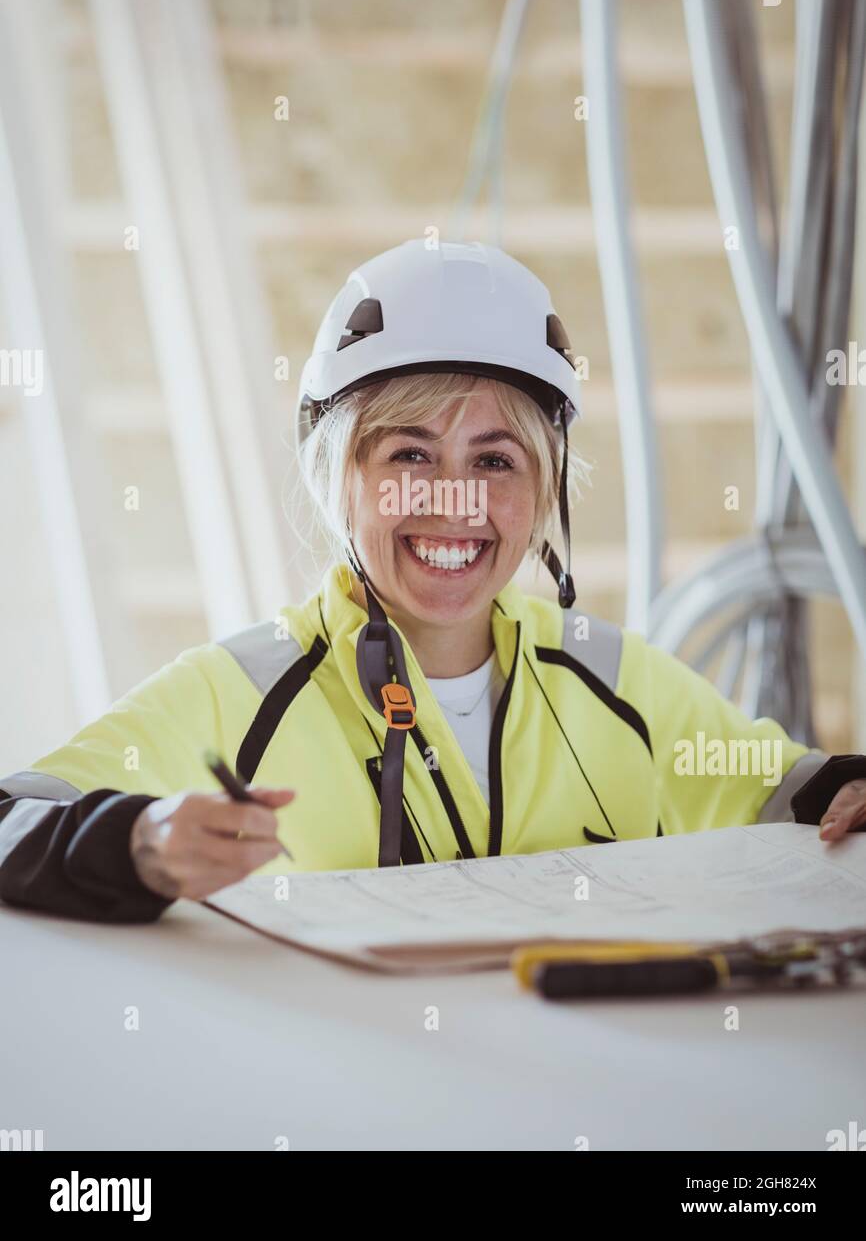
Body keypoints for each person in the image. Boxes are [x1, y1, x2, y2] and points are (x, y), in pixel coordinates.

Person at [1, 239, 864, 924]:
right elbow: (11, 821)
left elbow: (804, 791)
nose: (453, 501)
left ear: (545, 493)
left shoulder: (614, 681)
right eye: (410, 453)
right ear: (340, 481)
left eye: (495, 460)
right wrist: (140, 845)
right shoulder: (241, 695)